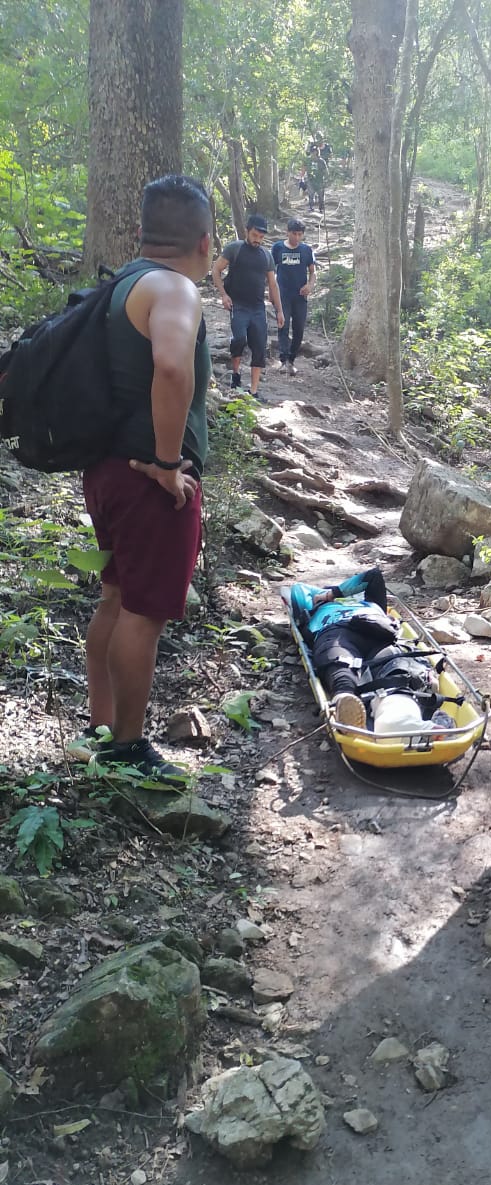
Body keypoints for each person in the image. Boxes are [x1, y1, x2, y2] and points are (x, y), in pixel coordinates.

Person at [70, 174, 214, 781]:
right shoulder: (175, 289)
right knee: (143, 613)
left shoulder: (121, 285)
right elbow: (172, 367)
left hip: (105, 471)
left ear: (140, 232)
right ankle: (127, 746)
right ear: (206, 243)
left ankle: (101, 727)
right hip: (147, 479)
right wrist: (165, 462)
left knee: (115, 596)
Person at [289, 568, 444, 730]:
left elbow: (373, 575)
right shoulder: (316, 608)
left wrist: (331, 594)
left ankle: (401, 717)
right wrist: (322, 598)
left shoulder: (370, 602)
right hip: (337, 631)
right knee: (341, 665)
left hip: (379, 631)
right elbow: (297, 590)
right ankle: (346, 703)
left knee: (396, 670)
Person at [211, 213, 284, 399]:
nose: (257, 239)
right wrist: (224, 295)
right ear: (247, 231)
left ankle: (254, 391)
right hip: (238, 305)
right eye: (254, 235)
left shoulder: (266, 256)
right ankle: (235, 376)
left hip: (258, 308)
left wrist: (280, 310)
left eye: (261, 237)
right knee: (239, 339)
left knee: (259, 347)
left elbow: (273, 284)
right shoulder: (235, 249)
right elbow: (216, 270)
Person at [271, 218, 315, 375]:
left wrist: (310, 285)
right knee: (283, 326)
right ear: (287, 232)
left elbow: (312, 271)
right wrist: (271, 290)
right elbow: (270, 271)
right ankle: (283, 360)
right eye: (294, 234)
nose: (296, 237)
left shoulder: (306, 250)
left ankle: (291, 360)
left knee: (299, 329)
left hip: (300, 296)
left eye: (299, 234)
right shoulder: (277, 248)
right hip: (282, 294)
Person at [304, 141, 328, 213]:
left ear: (318, 152)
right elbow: (304, 168)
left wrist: (326, 179)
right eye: (313, 151)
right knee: (311, 194)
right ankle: (311, 207)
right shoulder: (308, 160)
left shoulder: (321, 161)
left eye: (315, 152)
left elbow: (325, 171)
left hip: (319, 180)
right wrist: (302, 177)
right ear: (311, 152)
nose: (314, 153)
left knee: (321, 196)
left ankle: (321, 208)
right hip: (310, 180)